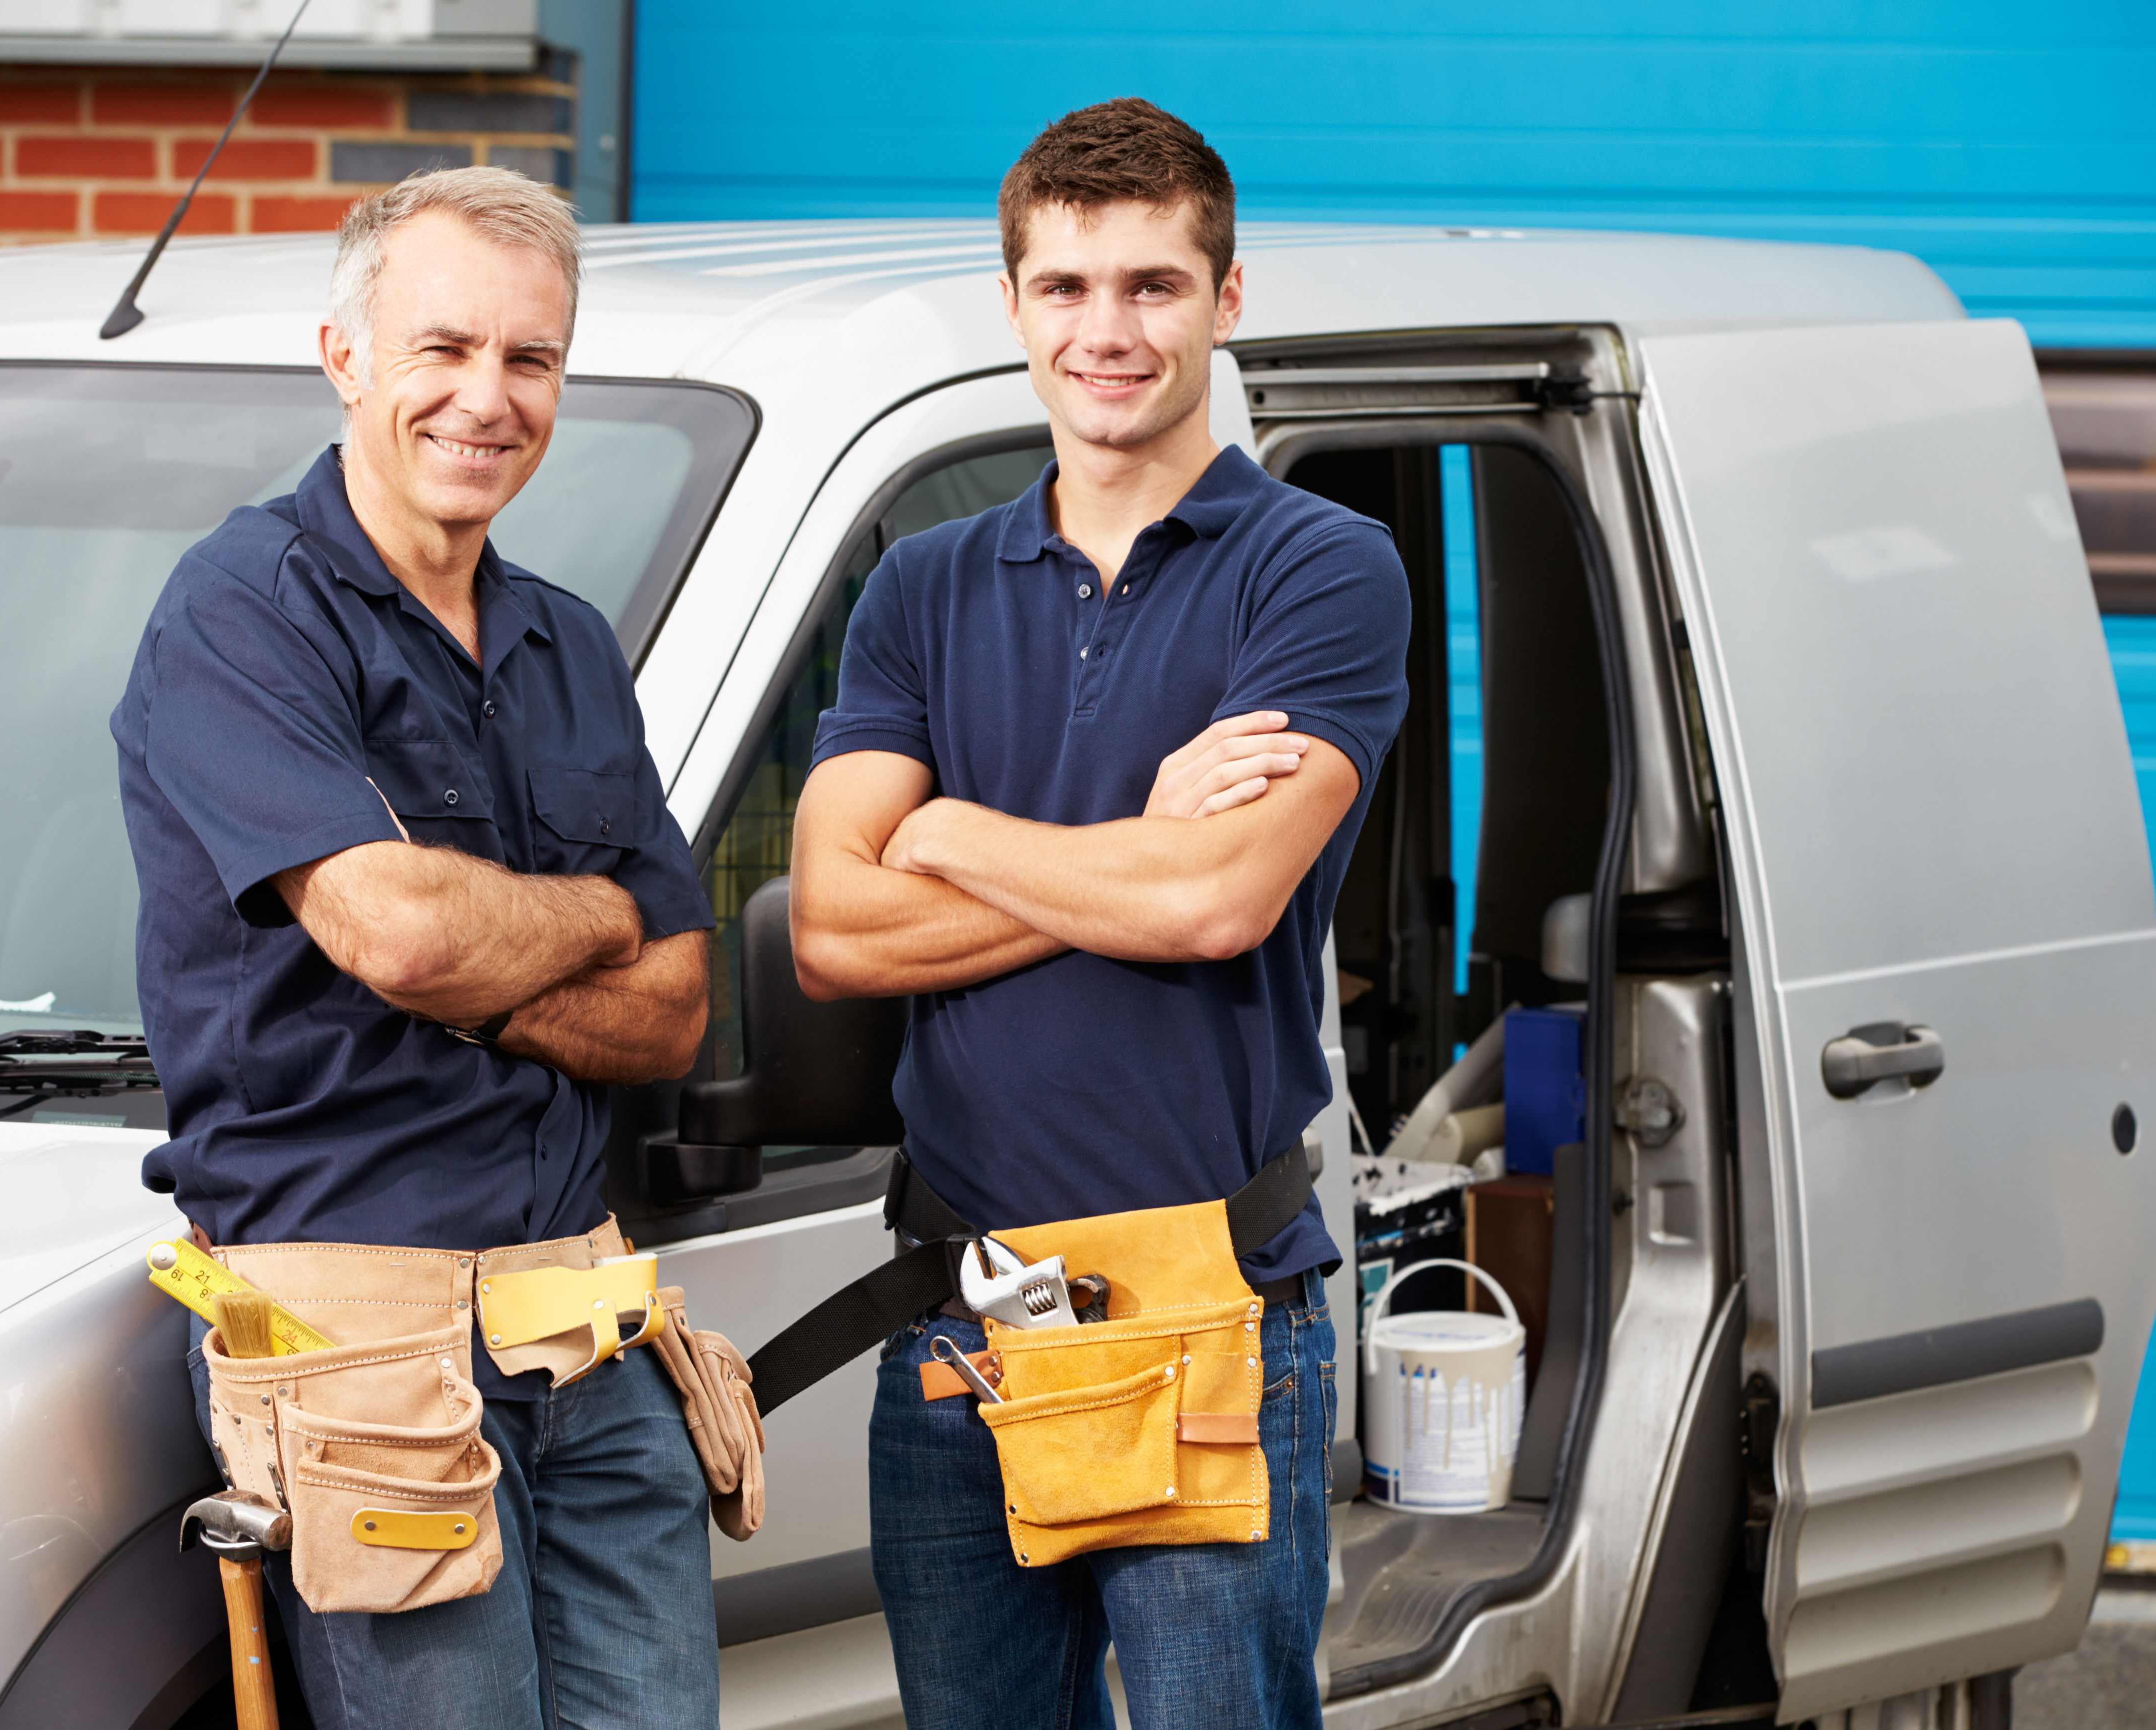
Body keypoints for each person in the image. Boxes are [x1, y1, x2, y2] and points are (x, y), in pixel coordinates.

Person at [788, 98, 1412, 1730]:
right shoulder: (922, 586)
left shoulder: (1320, 570)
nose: (1106, 330)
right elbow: (834, 933)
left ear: (1227, 297)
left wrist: (947, 827)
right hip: (960, 1325)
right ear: (1013, 307)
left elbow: (1215, 902)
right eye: (1065, 288)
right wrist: (1127, 839)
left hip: (1209, 1304)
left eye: (1150, 284)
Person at [111, 168, 721, 1729]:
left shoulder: (567, 642)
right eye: (442, 348)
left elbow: (672, 1012)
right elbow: (401, 938)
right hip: (354, 1341)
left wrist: (483, 945)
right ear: (346, 358)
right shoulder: (242, 613)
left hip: (581, 1324)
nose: (486, 398)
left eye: (531, 360)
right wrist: (588, 913)